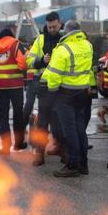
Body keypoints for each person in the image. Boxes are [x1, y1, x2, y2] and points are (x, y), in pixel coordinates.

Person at [42, 19, 94, 177]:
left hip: (66, 95)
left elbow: (55, 76)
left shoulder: (63, 49)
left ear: (67, 31)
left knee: (69, 130)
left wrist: (51, 92)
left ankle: (73, 165)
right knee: (80, 129)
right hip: (82, 93)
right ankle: (83, 165)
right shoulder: (88, 45)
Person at [23, 11, 63, 165]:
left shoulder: (65, 39)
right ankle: (39, 152)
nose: (52, 29)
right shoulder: (40, 39)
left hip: (61, 85)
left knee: (59, 119)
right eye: (49, 26)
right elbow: (29, 60)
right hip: (44, 85)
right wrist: (41, 60)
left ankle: (61, 147)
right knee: (43, 120)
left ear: (60, 23)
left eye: (54, 26)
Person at [0, 27, 27, 155]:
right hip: (15, 86)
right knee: (18, 114)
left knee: (3, 116)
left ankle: (5, 147)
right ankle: (18, 143)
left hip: (0, 86)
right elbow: (22, 65)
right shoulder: (16, 45)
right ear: (11, 35)